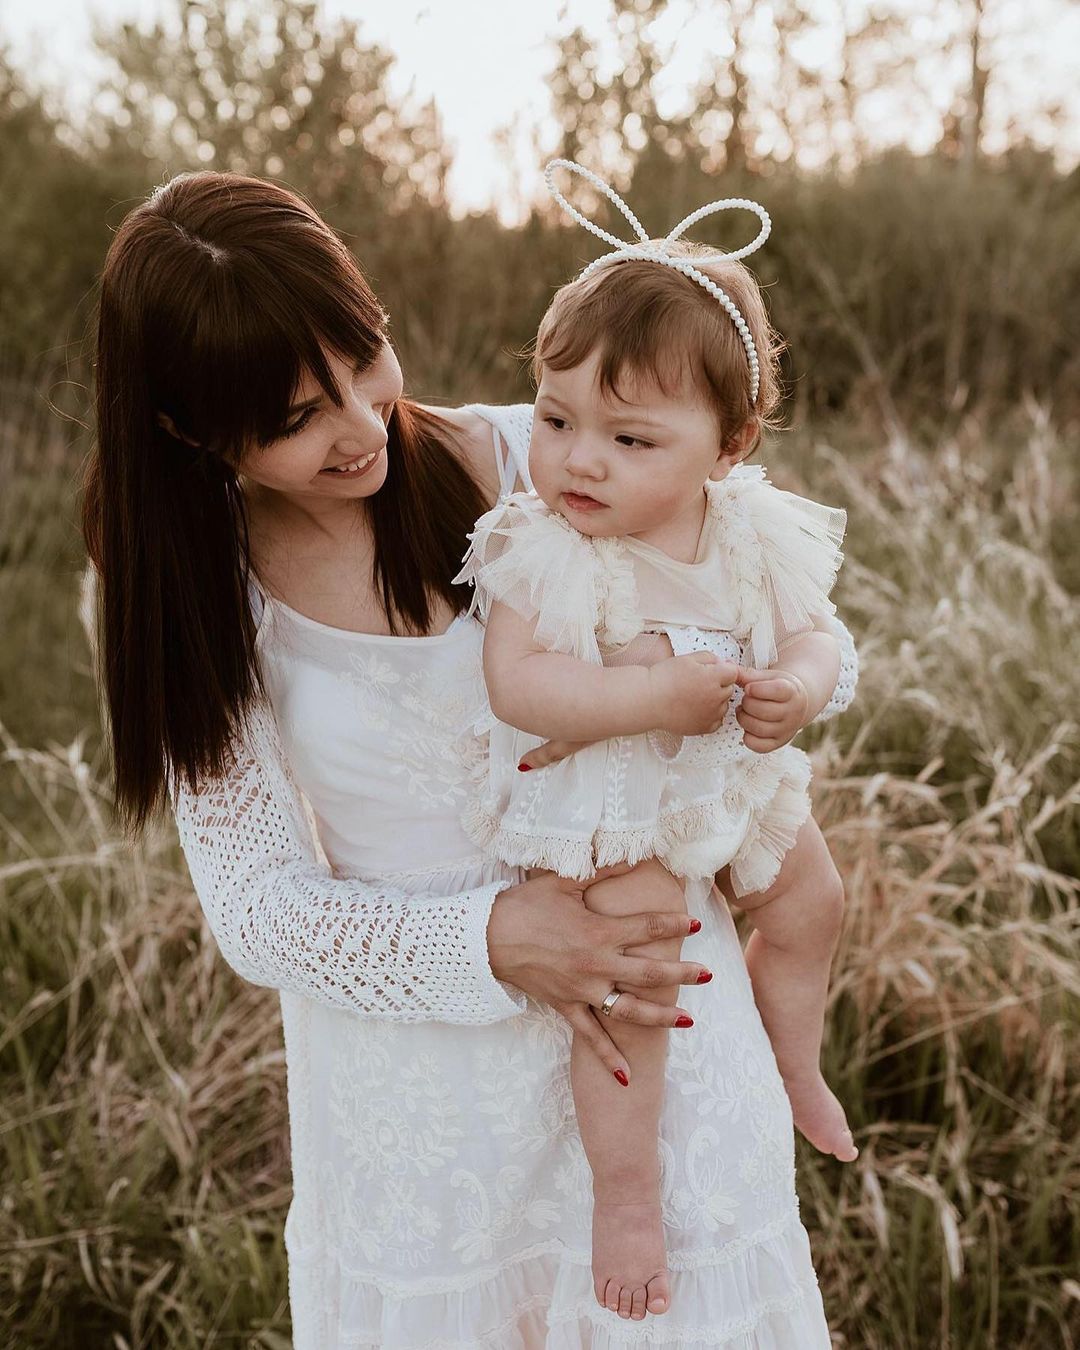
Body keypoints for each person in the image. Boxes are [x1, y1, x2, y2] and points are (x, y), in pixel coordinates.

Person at [82, 169, 856, 1347]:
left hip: (664, 1042)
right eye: (294, 419)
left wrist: (730, 689)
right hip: (426, 1117)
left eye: (365, 359)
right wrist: (496, 940)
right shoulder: (188, 593)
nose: (360, 427)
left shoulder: (532, 462)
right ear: (190, 428)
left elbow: (775, 617)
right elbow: (257, 910)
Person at [456, 159, 859, 1323]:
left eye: (630, 438)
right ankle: (625, 1195)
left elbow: (820, 636)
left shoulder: (749, 530)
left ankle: (794, 1057)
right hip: (614, 804)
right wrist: (650, 698)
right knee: (639, 965)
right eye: (555, 419)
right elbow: (519, 684)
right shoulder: (542, 544)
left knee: (813, 899)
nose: (580, 458)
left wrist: (795, 686)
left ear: (727, 445)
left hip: (730, 780)